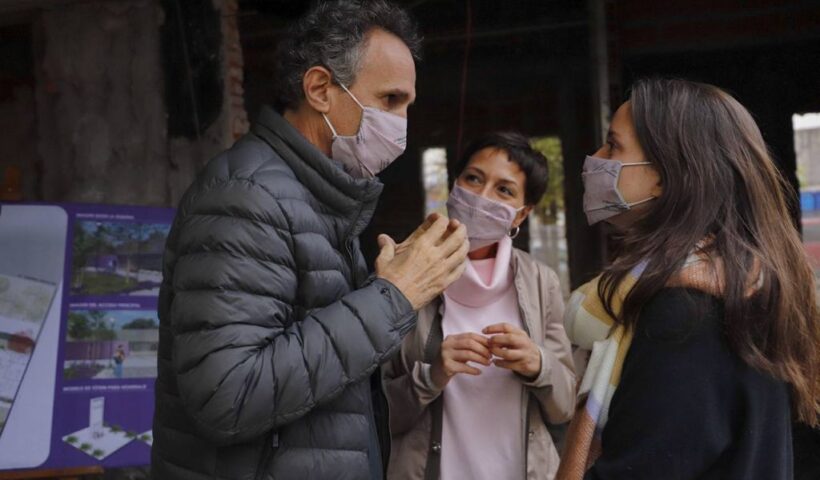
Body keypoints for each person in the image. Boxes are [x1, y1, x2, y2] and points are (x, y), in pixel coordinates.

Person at [150, 2, 470, 479]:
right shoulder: (248, 196)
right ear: (320, 89)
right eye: (390, 100)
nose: (402, 124)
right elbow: (227, 396)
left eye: (407, 105)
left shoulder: (317, 195)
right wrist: (392, 298)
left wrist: (382, 289)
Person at [557, 78, 820, 480]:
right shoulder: (741, 286)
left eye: (613, 145)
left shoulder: (687, 315)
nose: (595, 158)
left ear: (665, 177)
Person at [384, 132, 576, 480]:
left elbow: (565, 407)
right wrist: (433, 374)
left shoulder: (541, 282)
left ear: (521, 215)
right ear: (454, 185)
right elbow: (380, 414)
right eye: (473, 178)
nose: (482, 196)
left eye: (504, 190)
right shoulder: (405, 272)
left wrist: (539, 364)